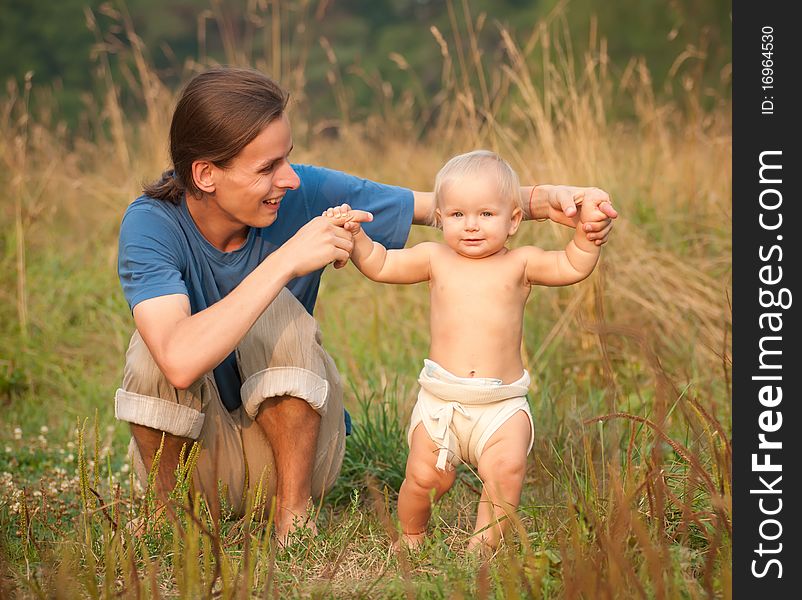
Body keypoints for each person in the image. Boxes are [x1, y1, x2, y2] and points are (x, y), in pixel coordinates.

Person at [114, 66, 617, 541]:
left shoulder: (300, 192)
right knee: (150, 348)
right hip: (199, 464)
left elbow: (441, 207)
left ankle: (295, 520)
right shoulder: (152, 224)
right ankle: (167, 518)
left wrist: (546, 200)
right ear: (205, 175)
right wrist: (287, 260)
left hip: (290, 458)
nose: (289, 179)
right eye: (268, 167)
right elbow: (177, 362)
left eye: (288, 157)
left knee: (277, 317)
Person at [326, 149, 605, 552]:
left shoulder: (521, 264)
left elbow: (571, 266)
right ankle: (412, 534)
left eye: (486, 215)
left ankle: (483, 546)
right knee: (425, 478)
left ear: (513, 221)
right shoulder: (435, 258)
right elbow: (381, 264)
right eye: (457, 215)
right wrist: (356, 238)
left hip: (502, 403)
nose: (471, 226)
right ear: (439, 217)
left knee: (506, 471)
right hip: (442, 401)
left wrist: (587, 238)